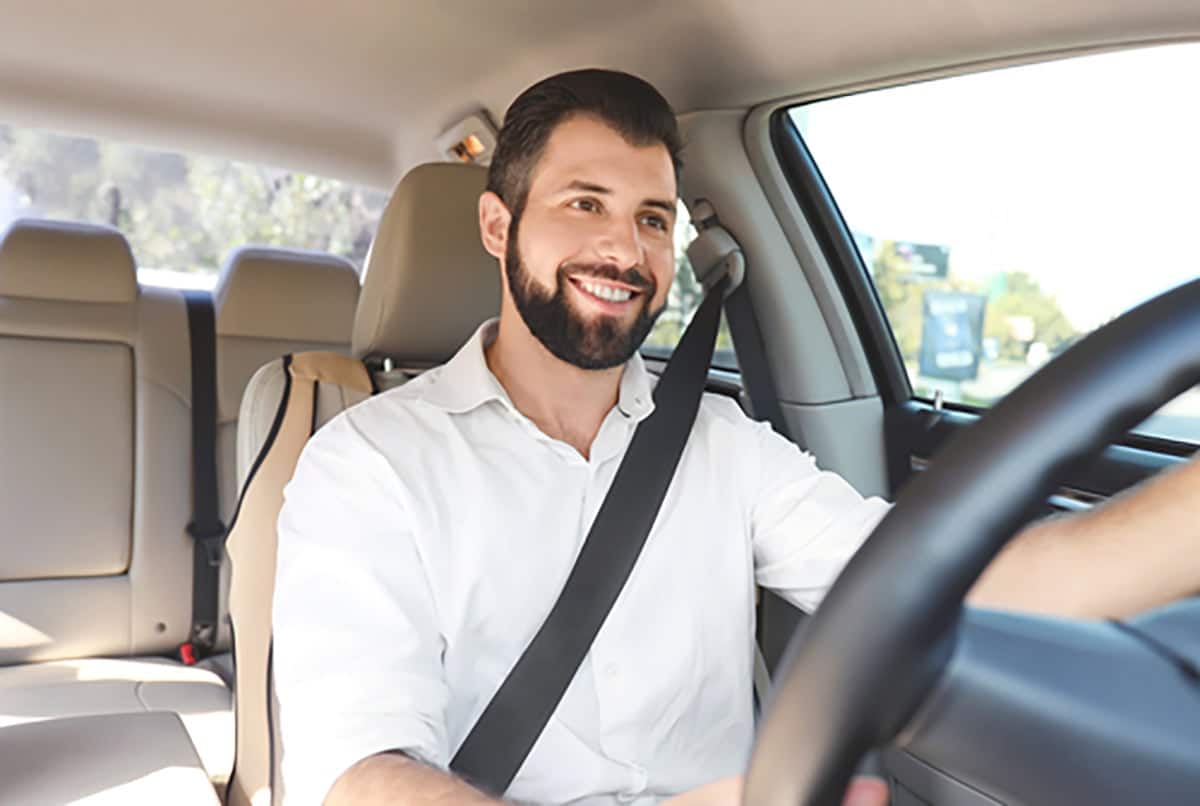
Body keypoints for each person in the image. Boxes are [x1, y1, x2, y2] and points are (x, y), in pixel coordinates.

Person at [272, 69, 1200, 806]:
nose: (625, 252)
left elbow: (952, 586)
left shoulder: (723, 447)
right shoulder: (370, 464)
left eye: (652, 219)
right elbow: (361, 777)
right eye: (583, 204)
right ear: (497, 224)